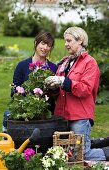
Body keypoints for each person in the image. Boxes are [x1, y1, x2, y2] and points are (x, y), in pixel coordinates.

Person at [45, 27, 108, 160]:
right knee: (64, 154)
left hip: (79, 116)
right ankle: (99, 144)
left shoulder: (89, 63)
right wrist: (53, 88)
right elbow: (59, 92)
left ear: (80, 41)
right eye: (65, 41)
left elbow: (85, 89)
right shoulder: (64, 63)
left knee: (81, 155)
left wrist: (63, 81)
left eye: (69, 40)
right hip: (62, 116)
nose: (66, 44)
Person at [3, 31, 57, 133]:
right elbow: (14, 91)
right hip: (25, 109)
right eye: (43, 43)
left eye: (49, 45)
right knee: (8, 114)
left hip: (45, 111)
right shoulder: (22, 65)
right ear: (36, 43)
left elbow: (56, 93)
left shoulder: (53, 68)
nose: (45, 48)